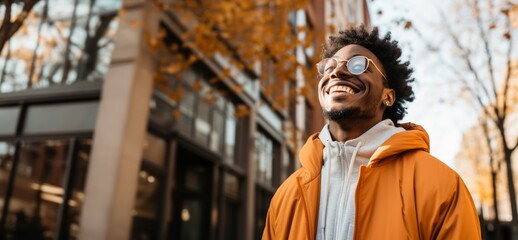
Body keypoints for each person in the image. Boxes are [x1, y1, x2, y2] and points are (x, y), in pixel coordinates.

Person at [262, 25, 481, 240]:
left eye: (358, 65)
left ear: (388, 96)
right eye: (329, 67)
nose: (337, 71)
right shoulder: (286, 195)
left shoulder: (440, 186)